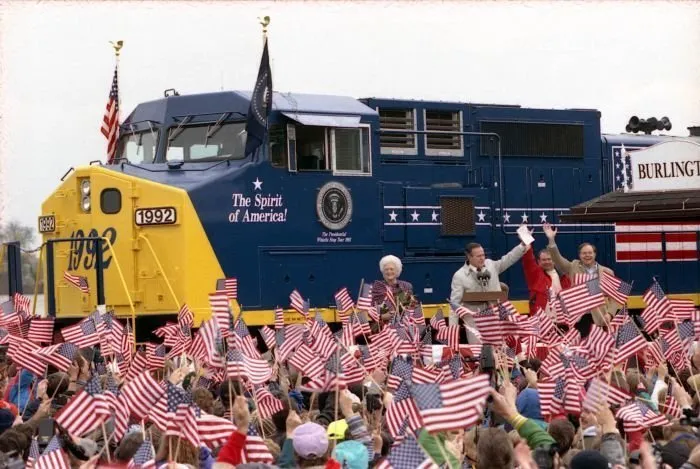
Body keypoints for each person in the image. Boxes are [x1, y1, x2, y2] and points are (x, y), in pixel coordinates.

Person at [543, 223, 618, 328]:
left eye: (590, 253)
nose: (587, 255)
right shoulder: (573, 266)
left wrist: (610, 314)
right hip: (579, 317)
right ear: (579, 255)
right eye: (584, 253)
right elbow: (557, 259)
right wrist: (551, 240)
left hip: (599, 317)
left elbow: (614, 298)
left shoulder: (607, 272)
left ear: (595, 254)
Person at [450, 240, 527, 339]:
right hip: (475, 324)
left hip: (496, 320)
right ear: (469, 257)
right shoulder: (459, 276)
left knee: (499, 352)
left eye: (483, 255)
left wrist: (522, 245)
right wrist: (452, 331)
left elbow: (508, 259)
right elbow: (455, 305)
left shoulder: (491, 265)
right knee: (479, 353)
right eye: (478, 256)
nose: (482, 258)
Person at [522, 242, 571, 316]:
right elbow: (528, 261)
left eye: (549, 259)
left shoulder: (563, 276)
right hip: (542, 319)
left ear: (554, 261)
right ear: (539, 262)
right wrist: (527, 242)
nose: (547, 262)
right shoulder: (535, 275)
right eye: (544, 260)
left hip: (562, 318)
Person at [372, 255, 413, 321]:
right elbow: (371, 309)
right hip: (382, 326)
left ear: (397, 271)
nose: (389, 272)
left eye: (391, 269)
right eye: (386, 269)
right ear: (383, 271)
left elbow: (410, 308)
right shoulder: (377, 287)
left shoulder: (406, 286)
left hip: (402, 324)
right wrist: (382, 317)